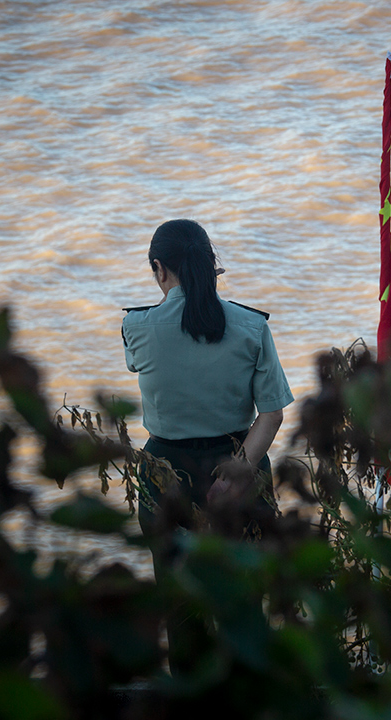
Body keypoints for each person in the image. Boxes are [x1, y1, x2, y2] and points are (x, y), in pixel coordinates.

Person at [122, 219, 293, 546]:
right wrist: (236, 475)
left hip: (165, 473)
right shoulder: (252, 326)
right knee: (247, 587)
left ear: (159, 268)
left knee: (175, 590)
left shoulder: (136, 326)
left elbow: (137, 361)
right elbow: (273, 415)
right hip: (241, 466)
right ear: (211, 266)